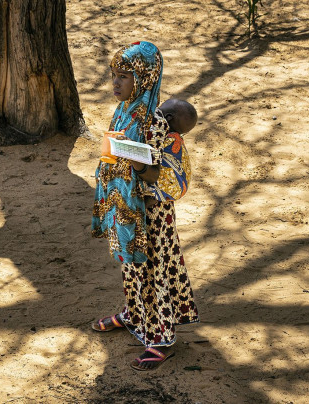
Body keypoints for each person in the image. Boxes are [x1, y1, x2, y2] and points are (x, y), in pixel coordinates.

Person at [91, 41, 199, 371]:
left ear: (145, 79)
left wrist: (135, 162)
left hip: (151, 217)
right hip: (127, 208)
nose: (116, 83)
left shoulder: (154, 124)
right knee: (131, 268)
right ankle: (134, 314)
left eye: (124, 76)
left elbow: (160, 172)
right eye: (114, 75)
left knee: (154, 272)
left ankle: (162, 339)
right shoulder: (125, 111)